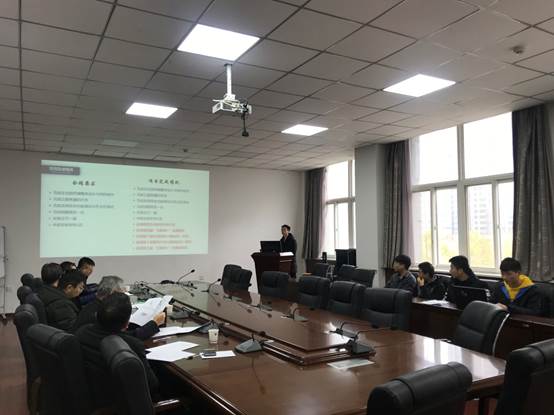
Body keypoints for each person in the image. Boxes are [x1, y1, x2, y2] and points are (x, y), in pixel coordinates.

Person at [76, 292, 159, 407]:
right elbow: (151, 384)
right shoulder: (132, 345)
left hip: (89, 395)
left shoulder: (82, 332)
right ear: (126, 324)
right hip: (118, 403)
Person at [74, 275, 165, 339]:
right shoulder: (103, 313)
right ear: (113, 293)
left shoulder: (91, 306)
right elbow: (124, 338)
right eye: (122, 293)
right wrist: (154, 324)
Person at [38, 265, 85, 331]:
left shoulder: (46, 290)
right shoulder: (62, 304)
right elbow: (73, 330)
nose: (82, 290)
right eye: (80, 287)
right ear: (69, 288)